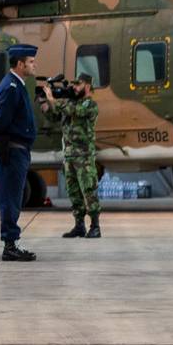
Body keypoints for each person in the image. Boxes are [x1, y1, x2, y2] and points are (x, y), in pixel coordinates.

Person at [0, 43, 40, 262]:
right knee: (11, 198)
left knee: (14, 197)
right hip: (12, 151)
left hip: (18, 150)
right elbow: (1, 119)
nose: (33, 64)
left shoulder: (16, 85)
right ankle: (10, 244)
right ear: (20, 64)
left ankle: (12, 240)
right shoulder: (10, 87)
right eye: (30, 62)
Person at [55, 77, 102, 239]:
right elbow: (55, 115)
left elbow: (74, 111)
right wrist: (45, 102)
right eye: (73, 84)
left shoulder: (89, 105)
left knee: (88, 190)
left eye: (78, 84)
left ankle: (95, 226)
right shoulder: (71, 103)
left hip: (84, 156)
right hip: (69, 155)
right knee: (73, 191)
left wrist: (54, 99)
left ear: (87, 86)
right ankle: (79, 225)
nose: (74, 87)